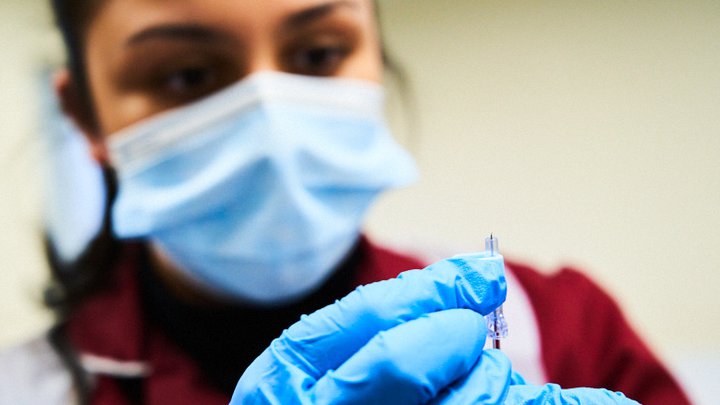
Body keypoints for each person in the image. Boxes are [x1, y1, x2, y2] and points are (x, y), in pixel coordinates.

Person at [0, 0, 691, 404]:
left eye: (319, 54)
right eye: (186, 74)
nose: (272, 123)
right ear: (84, 115)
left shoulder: (562, 328)